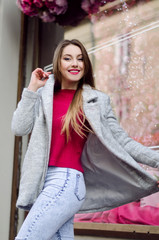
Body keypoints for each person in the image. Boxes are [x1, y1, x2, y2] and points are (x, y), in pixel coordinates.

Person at [12, 39, 159, 240]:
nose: (75, 63)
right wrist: (32, 88)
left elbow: (123, 142)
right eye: (68, 58)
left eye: (80, 59)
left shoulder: (97, 101)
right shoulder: (43, 95)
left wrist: (156, 159)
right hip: (43, 182)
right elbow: (19, 128)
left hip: (67, 181)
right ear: (58, 63)